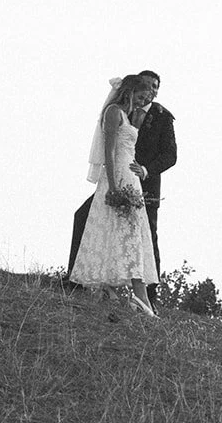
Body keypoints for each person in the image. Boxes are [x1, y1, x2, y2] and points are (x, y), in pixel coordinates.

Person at [66, 69, 177, 311]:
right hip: (119, 177)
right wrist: (115, 183)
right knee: (89, 219)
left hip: (143, 183)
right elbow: (113, 146)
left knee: (145, 237)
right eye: (144, 87)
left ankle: (148, 295)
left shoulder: (162, 116)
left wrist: (146, 170)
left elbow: (170, 155)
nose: (148, 93)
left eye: (153, 88)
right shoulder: (120, 112)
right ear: (134, 89)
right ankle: (84, 281)